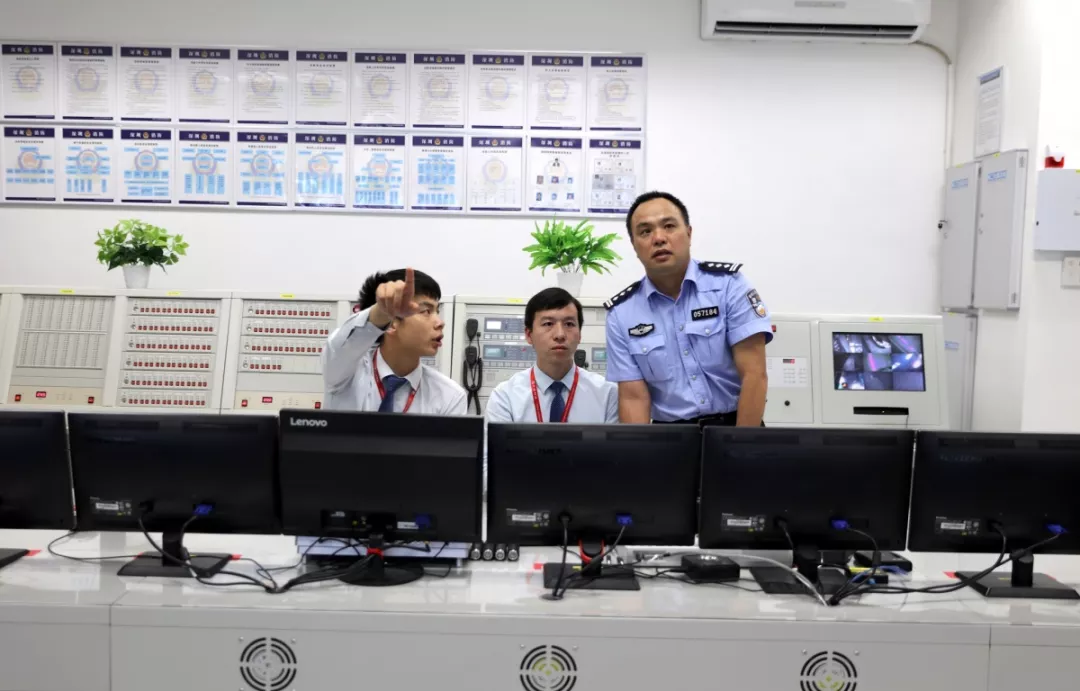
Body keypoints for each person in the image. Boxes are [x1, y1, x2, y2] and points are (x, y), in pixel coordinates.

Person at [604, 191, 771, 426]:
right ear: (634, 245)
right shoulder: (621, 314)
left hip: (737, 425)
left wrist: (738, 443)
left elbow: (754, 375)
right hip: (670, 436)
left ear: (689, 233)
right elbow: (634, 398)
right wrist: (640, 449)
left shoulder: (729, 286)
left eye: (669, 226)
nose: (659, 238)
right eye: (645, 232)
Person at [323, 267, 466, 414]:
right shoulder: (344, 373)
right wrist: (381, 313)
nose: (440, 323)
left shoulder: (449, 397)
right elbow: (339, 348)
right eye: (426, 311)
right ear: (391, 323)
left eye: (437, 311)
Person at [485, 287, 618, 424]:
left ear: (579, 335)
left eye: (569, 324)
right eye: (548, 324)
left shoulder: (607, 395)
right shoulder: (505, 397)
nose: (560, 335)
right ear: (529, 335)